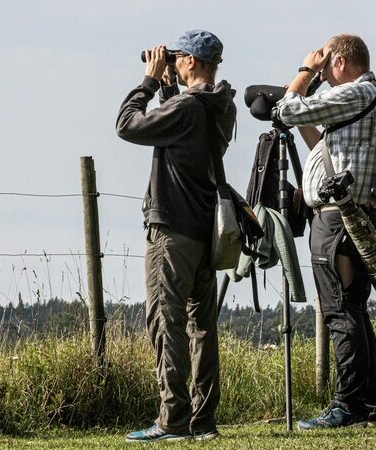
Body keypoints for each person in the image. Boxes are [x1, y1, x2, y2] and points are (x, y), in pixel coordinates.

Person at [115, 29, 236, 442]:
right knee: (202, 326)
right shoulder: (220, 106)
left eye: (178, 57)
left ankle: (172, 420)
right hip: (205, 231)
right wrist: (170, 91)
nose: (173, 61)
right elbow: (189, 137)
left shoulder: (186, 106)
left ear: (192, 62)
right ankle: (203, 420)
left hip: (172, 230)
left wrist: (149, 83)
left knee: (166, 323)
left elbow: (128, 126)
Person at [275, 34, 376, 430]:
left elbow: (287, 111)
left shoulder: (358, 93)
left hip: (338, 220)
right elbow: (322, 145)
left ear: (341, 62)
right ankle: (366, 405)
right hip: (359, 217)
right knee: (355, 311)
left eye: (328, 67)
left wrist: (304, 71)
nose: (324, 75)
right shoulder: (372, 97)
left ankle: (348, 406)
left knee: (340, 311)